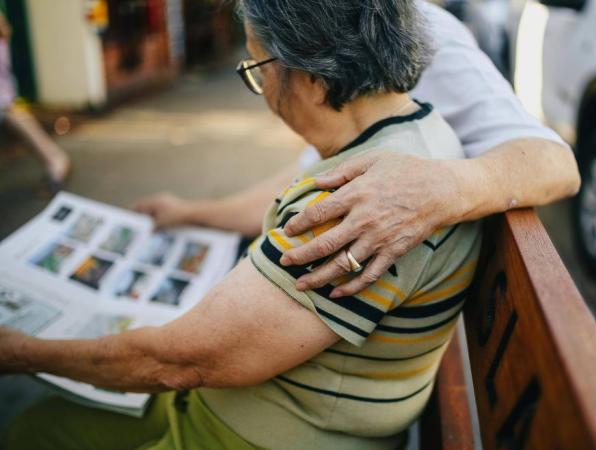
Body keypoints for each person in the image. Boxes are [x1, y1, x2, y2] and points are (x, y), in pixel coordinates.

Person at [2, 1, 482, 449]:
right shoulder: (412, 133)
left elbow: (180, 361)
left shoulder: (357, 205)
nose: (263, 94)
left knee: (34, 432)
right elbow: (286, 190)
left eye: (258, 66)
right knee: (40, 427)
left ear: (312, 75)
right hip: (292, 411)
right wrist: (190, 213)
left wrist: (22, 352)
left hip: (259, 434)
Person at [133, 0, 580, 298]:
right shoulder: (325, 22)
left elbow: (555, 162)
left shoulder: (420, 29)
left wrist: (431, 190)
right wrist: (188, 212)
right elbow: (300, 181)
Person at [0, 10, 70, 191]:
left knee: (18, 118)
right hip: (7, 102)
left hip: (5, 102)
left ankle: (55, 160)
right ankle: (55, 160)